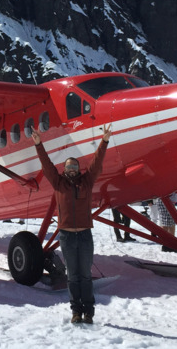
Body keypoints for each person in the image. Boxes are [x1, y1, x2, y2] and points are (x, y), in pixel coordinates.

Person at [32, 124, 112, 325]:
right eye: (68, 166)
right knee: (73, 276)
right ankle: (76, 311)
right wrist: (39, 144)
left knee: (85, 275)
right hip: (67, 236)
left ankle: (89, 311)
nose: (71, 169)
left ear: (78, 169)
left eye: (74, 166)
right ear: (64, 169)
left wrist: (104, 141)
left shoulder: (87, 181)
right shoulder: (58, 183)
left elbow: (96, 163)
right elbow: (47, 165)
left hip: (85, 235)